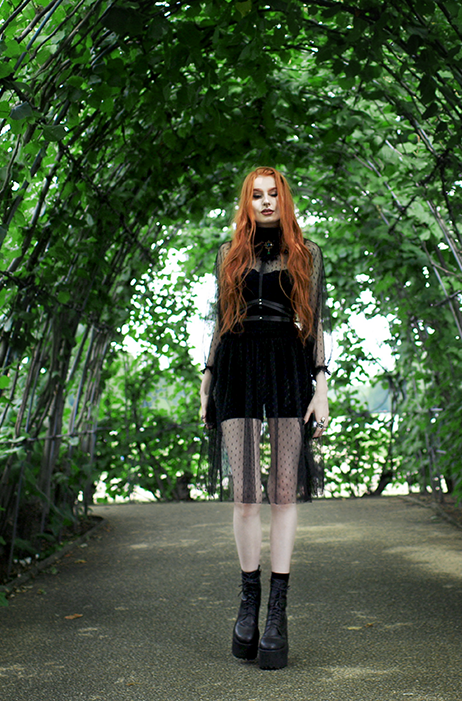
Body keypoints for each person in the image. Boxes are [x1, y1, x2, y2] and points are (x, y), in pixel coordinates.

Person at [199, 166, 329, 670]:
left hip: (287, 363)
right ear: (246, 202)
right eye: (257, 195)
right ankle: (248, 602)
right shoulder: (228, 255)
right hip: (235, 363)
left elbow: (314, 322)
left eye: (274, 194)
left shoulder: (307, 253)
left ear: (284, 198)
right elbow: (219, 319)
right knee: (246, 492)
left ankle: (278, 612)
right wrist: (207, 379)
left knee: (283, 491)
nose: (267, 201)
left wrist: (321, 386)